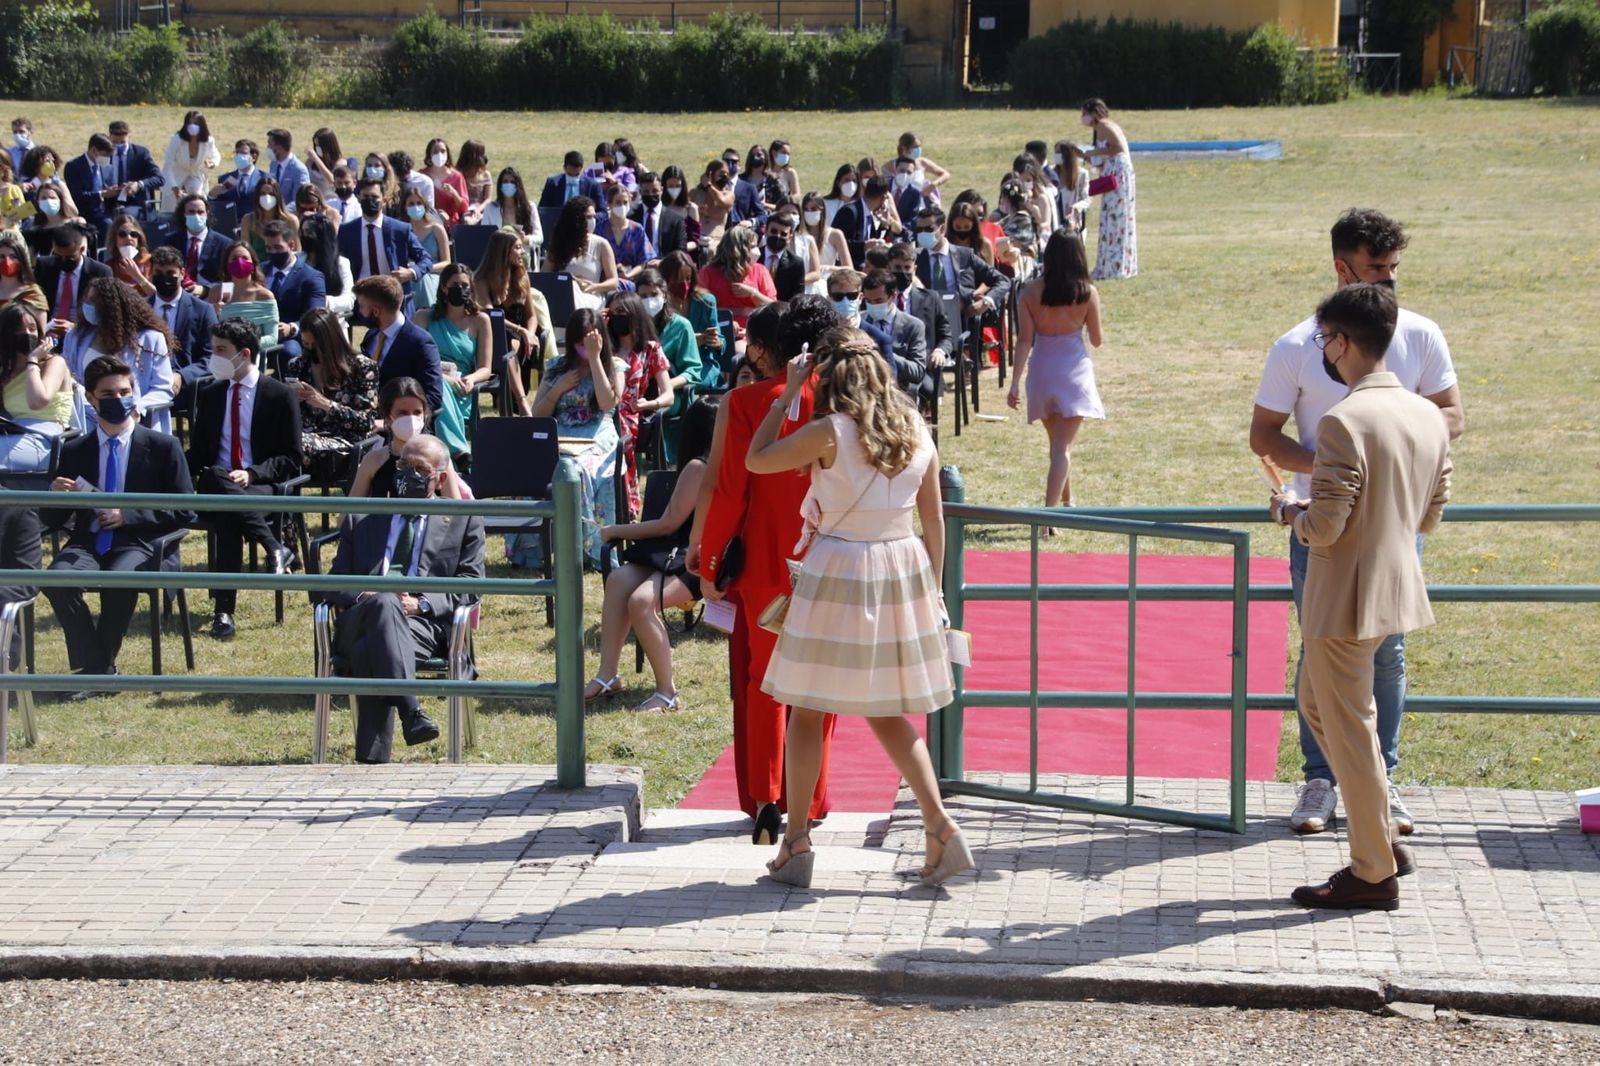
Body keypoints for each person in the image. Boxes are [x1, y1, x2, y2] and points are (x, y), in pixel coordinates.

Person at [1251, 207, 1465, 836]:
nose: (1391, 281)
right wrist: (1335, 466)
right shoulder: (1298, 345)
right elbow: (1264, 435)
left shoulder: (1421, 335)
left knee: (1387, 655)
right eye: (1378, 269)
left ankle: (1380, 779)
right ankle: (1321, 778)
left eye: (1396, 268)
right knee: (1318, 656)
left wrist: (1387, 449)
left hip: (1392, 525)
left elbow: (1452, 414)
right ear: (1343, 268)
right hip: (1320, 524)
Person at [744, 326, 966, 889]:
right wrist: (933, 591)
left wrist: (789, 390)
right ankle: (940, 825)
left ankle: (796, 842)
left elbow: (757, 459)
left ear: (828, 375)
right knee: (888, 710)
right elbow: (934, 519)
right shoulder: (916, 429)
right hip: (902, 568)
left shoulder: (828, 432)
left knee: (807, 707)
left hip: (839, 570)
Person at [1274, 284, 1451, 911]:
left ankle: (1372, 869)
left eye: (1326, 340)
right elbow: (1431, 514)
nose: (1324, 349)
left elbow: (1324, 526)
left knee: (1344, 724)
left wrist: (1290, 512)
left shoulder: (1343, 421)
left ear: (1344, 342)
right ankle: (1380, 840)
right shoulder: (1428, 415)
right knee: (1324, 708)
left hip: (1344, 597)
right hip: (1394, 585)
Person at [691, 297, 838, 843]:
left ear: (759, 347)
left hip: (763, 561)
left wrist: (708, 560)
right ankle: (814, 795)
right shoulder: (837, 397)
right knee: (818, 682)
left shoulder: (745, 400)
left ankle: (767, 799)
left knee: (763, 682)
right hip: (827, 556)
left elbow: (727, 488)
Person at [316, 433, 484, 764]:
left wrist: (420, 604)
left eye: (419, 468)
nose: (407, 473)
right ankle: (412, 710)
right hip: (359, 616)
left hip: (422, 626)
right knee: (381, 604)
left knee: (372, 647)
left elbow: (471, 583)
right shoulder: (362, 516)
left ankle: (373, 759)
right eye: (403, 464)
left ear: (441, 479)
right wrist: (370, 593)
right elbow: (334, 583)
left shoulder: (463, 520)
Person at [42, 354, 195, 695]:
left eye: (125, 391)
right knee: (55, 581)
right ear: (90, 399)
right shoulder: (75, 449)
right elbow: (50, 518)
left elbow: (186, 510)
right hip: (88, 543)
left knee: (119, 580)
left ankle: (97, 672)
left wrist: (129, 516)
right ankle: (99, 666)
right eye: (108, 394)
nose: (119, 400)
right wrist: (54, 494)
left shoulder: (162, 447)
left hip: (142, 543)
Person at [589, 396, 718, 713]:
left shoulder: (699, 467)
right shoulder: (715, 464)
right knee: (619, 580)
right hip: (676, 552)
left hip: (696, 558)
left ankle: (667, 692)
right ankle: (608, 675)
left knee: (641, 602)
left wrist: (616, 530)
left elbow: (667, 525)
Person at [188, 318, 303, 640]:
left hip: (260, 485)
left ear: (245, 353)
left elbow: (292, 456)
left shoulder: (278, 394)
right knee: (214, 478)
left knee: (228, 517)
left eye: (222, 351)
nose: (215, 358)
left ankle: (224, 612)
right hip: (216, 483)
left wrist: (252, 473)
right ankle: (274, 545)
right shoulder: (211, 394)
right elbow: (197, 455)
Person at [1007, 231, 1104, 514]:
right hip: (1073, 371)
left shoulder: (1030, 291)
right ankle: (1050, 515)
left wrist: (1014, 383)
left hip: (1042, 370)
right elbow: (1097, 340)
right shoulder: (1087, 292)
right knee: (1062, 447)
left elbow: (1024, 339)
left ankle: (1067, 501)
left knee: (1057, 444)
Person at [521, 308, 623, 569]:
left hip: (596, 435)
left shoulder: (615, 366)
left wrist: (596, 359)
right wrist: (558, 389)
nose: (583, 350)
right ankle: (538, 547)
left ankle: (586, 545)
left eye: (587, 343)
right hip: (560, 434)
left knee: (577, 470)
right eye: (579, 344)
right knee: (535, 465)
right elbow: (538, 414)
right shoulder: (556, 367)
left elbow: (607, 401)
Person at [62, 276, 176, 434]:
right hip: (86, 418)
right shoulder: (75, 336)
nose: (88, 306)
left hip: (134, 420)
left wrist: (138, 408)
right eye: (87, 301)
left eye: (94, 301)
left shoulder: (151, 339)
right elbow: (67, 376)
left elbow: (163, 388)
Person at [285, 306, 378, 484]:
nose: (311, 351)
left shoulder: (362, 368)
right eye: (306, 345)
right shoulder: (298, 366)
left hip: (345, 440)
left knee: (294, 442)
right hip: (307, 434)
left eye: (316, 346)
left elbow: (366, 422)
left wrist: (325, 404)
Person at [606, 291, 674, 517]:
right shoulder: (604, 347)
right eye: (612, 312)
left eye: (621, 312)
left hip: (632, 413)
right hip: (603, 409)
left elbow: (668, 395)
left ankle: (628, 503)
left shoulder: (650, 349)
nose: (616, 317)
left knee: (620, 432)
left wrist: (649, 404)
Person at [472, 227, 554, 415]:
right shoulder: (481, 280)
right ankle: (522, 402)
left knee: (511, 343)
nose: (522, 252)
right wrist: (521, 330)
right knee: (505, 342)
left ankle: (512, 399)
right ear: (503, 251)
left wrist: (530, 333)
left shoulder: (521, 276)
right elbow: (491, 316)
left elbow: (531, 315)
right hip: (492, 335)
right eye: (517, 248)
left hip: (519, 337)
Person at [350, 376, 467, 502]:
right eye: (402, 413)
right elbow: (349, 512)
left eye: (417, 412)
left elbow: (456, 512)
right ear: (388, 417)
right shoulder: (373, 460)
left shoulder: (438, 458)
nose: (411, 419)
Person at [417, 263, 491, 460]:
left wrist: (471, 379)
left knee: (442, 387)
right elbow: (415, 359)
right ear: (443, 287)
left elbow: (485, 368)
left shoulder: (480, 320)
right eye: (455, 284)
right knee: (437, 383)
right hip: (427, 383)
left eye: (465, 285)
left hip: (461, 388)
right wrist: (442, 378)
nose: (461, 289)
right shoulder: (424, 317)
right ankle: (459, 452)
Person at [0, 302, 74, 474]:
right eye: (19, 330)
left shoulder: (54, 363)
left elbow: (37, 401)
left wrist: (32, 361)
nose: (27, 334)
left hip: (47, 441)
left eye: (32, 328)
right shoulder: (6, 370)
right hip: (14, 434)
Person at [338, 176, 432, 310]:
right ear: (358, 197)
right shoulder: (347, 231)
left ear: (384, 199)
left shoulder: (400, 229)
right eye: (365, 196)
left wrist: (411, 272)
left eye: (375, 196)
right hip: (361, 298)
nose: (370, 200)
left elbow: (426, 259)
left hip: (395, 296)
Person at [353, 274, 444, 412]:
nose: (359, 311)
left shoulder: (420, 342)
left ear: (376, 311)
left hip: (402, 425)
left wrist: (394, 420)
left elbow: (433, 397)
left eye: (361, 306)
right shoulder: (372, 336)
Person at [914, 205, 1011, 323]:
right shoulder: (915, 259)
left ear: (942, 229)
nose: (923, 234)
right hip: (926, 320)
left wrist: (986, 302)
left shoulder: (964, 256)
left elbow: (1002, 281)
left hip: (962, 319)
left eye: (929, 229)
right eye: (919, 230)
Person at [1080, 98, 1137, 279]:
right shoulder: (1102, 128)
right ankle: (1110, 264)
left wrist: (1093, 152)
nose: (1083, 118)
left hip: (1117, 172)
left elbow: (1117, 148)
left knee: (1115, 217)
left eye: (1085, 114)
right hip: (1113, 171)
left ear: (1094, 113)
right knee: (1111, 217)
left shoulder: (1104, 125)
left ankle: (1114, 267)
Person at [147, 246, 217, 390]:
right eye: (158, 272)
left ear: (182, 274)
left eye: (170, 273)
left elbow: (213, 357)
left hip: (185, 387)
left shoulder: (203, 310)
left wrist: (183, 376)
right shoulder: (140, 309)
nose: (164, 277)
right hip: (146, 382)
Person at [259, 220, 327, 364]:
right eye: (269, 248)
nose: (273, 252)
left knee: (289, 352)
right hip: (259, 335)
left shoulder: (311, 276)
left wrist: (292, 327)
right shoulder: (259, 271)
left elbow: (315, 315)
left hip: (290, 338)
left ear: (291, 245)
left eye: (278, 247)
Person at [861, 268, 928, 398]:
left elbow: (917, 371)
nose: (873, 305)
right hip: (864, 391)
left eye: (879, 301)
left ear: (893, 296)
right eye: (868, 302)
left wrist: (885, 352)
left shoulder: (913, 326)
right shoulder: (860, 321)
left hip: (899, 392)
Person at [542, 196, 618, 309]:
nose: (592, 221)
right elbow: (544, 276)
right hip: (564, 295)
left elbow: (613, 281)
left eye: (593, 217)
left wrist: (595, 287)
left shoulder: (601, 244)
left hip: (591, 295)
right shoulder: (559, 245)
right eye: (588, 217)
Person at [697, 223, 776, 327]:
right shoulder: (707, 273)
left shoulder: (760, 270)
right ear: (737, 249)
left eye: (756, 246)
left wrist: (753, 293)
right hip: (719, 328)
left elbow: (774, 308)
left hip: (752, 330)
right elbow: (699, 309)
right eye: (752, 247)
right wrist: (726, 320)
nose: (756, 251)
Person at [38, 224, 110, 330]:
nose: (63, 262)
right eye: (58, 257)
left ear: (81, 250)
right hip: (48, 327)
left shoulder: (100, 272)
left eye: (69, 258)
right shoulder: (44, 266)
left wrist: (74, 327)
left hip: (82, 330)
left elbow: (104, 313)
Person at [164, 194, 230, 293]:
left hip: (210, 297)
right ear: (183, 214)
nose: (196, 216)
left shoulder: (224, 244)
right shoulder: (171, 241)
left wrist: (205, 289)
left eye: (200, 212)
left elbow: (229, 281)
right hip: (177, 294)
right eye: (191, 212)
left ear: (207, 214)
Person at [401, 186, 451, 310]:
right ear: (404, 207)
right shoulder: (401, 230)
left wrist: (422, 269)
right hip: (407, 275)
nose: (416, 207)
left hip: (433, 275)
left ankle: (427, 314)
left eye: (419, 203)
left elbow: (447, 262)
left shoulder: (436, 229)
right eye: (411, 204)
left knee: (422, 280)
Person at [297, 212, 355, 317]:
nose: (304, 236)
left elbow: (349, 300)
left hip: (332, 322)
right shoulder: (296, 261)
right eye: (302, 232)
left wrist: (319, 300)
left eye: (309, 232)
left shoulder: (341, 263)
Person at [162, 111, 220, 212]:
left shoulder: (208, 141)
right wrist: (174, 187)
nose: (193, 128)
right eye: (190, 125)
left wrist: (212, 163)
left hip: (196, 175)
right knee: (170, 209)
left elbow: (216, 155)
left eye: (196, 125)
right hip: (176, 176)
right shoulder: (177, 140)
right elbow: (168, 166)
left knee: (197, 200)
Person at [477, 166, 541, 256]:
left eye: (512, 182)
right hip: (498, 258)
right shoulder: (490, 209)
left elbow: (539, 237)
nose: (509, 184)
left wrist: (525, 239)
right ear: (500, 185)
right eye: (505, 182)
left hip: (523, 257)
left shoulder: (530, 207)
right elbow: (484, 237)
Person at [203, 240, 276, 317]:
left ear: (253, 264)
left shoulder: (264, 295)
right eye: (234, 258)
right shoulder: (217, 293)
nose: (240, 262)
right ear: (227, 265)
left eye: (245, 258)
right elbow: (209, 325)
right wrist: (213, 313)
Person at [798, 192, 853, 293]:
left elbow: (849, 268)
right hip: (805, 286)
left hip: (827, 286)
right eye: (806, 209)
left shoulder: (835, 234)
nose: (810, 212)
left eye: (814, 209)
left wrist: (830, 268)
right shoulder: (799, 236)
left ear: (822, 210)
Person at [64, 133, 119, 233]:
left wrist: (119, 191)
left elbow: (107, 188)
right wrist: (102, 194)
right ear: (94, 150)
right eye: (105, 155)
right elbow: (77, 195)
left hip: (106, 211)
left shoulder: (107, 168)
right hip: (85, 213)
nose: (108, 159)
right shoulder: (74, 167)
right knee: (107, 225)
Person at [598, 183, 655, 278]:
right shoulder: (600, 229)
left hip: (632, 282)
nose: (622, 206)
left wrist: (628, 275)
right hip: (605, 281)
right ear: (609, 204)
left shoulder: (637, 229)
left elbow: (644, 261)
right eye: (618, 202)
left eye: (625, 202)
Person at [629, 171, 686, 263]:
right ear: (640, 192)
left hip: (665, 269)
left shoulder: (676, 220)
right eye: (646, 191)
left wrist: (662, 262)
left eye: (655, 191)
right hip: (637, 268)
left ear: (662, 190)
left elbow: (680, 250)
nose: (651, 195)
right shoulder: (631, 217)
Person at [238, 177, 300, 260]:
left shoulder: (291, 221)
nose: (267, 197)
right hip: (258, 270)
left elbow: (297, 251)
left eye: (271, 194)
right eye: (263, 194)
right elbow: (245, 252)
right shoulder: (248, 220)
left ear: (277, 196)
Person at [757, 212, 806, 302]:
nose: (778, 236)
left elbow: (798, 297)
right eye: (774, 231)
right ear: (766, 231)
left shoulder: (796, 263)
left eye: (783, 234)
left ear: (790, 237)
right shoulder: (754, 257)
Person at [420, 138, 468, 227]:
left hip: (451, 225)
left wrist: (454, 194)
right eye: (435, 151)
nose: (439, 154)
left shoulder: (457, 176)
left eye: (443, 151)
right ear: (429, 155)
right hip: (427, 224)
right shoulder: (422, 176)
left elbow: (464, 208)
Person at [210, 138, 266, 216]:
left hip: (255, 223)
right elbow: (217, 206)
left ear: (254, 157)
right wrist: (212, 195)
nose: (239, 156)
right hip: (231, 224)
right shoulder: (224, 179)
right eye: (237, 152)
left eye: (243, 153)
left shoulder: (265, 178)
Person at [105, 211, 154, 300]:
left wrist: (137, 276)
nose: (129, 238)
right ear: (115, 239)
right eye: (122, 234)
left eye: (133, 234)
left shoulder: (150, 261)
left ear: (139, 238)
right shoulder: (109, 266)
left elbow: (155, 295)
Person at [656, 165, 700, 259]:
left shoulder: (691, 208)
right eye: (670, 186)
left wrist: (679, 249)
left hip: (682, 257)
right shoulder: (659, 208)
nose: (674, 189)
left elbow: (695, 240)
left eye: (678, 186)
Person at [689, 159, 735, 248]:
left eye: (727, 174)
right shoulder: (695, 193)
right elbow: (683, 209)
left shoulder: (729, 194)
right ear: (711, 174)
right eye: (721, 173)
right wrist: (697, 210)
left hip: (717, 241)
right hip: (697, 239)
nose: (725, 176)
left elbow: (721, 201)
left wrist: (709, 186)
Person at [896, 130, 951, 204]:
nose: (918, 149)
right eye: (915, 147)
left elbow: (945, 174)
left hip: (921, 203)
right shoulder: (893, 165)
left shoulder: (921, 162)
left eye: (919, 146)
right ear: (904, 148)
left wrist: (934, 184)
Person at [0, 234, 48, 318]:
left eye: (13, 257)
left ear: (21, 260)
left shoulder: (32, 293)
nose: (7, 261)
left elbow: (40, 327)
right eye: (1, 257)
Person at [539, 150, 604, 209]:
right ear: (564, 167)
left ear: (581, 168)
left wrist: (589, 217)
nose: (573, 177)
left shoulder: (592, 186)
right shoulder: (552, 184)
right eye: (570, 174)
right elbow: (543, 209)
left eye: (576, 174)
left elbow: (602, 212)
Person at [264, 128, 310, 212]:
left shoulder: (299, 170)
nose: (268, 147)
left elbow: (299, 200)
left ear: (279, 147)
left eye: (270, 144)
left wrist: (280, 212)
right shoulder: (273, 164)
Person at [1054, 142, 1092, 236]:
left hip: (1073, 223)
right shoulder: (1051, 173)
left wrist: (1075, 207)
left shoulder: (1082, 174)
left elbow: (1086, 199)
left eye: (1059, 152)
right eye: (1055, 152)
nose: (1056, 155)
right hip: (1055, 221)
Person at [303, 127, 348, 201]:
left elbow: (332, 181)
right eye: (315, 145)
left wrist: (316, 159)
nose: (317, 148)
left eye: (319, 146)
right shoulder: (310, 162)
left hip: (330, 201)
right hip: (313, 200)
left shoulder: (341, 163)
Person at [457, 140, 493, 212]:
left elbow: (488, 199)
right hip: (463, 210)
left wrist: (478, 210)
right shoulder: (458, 174)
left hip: (481, 210)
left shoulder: (485, 174)